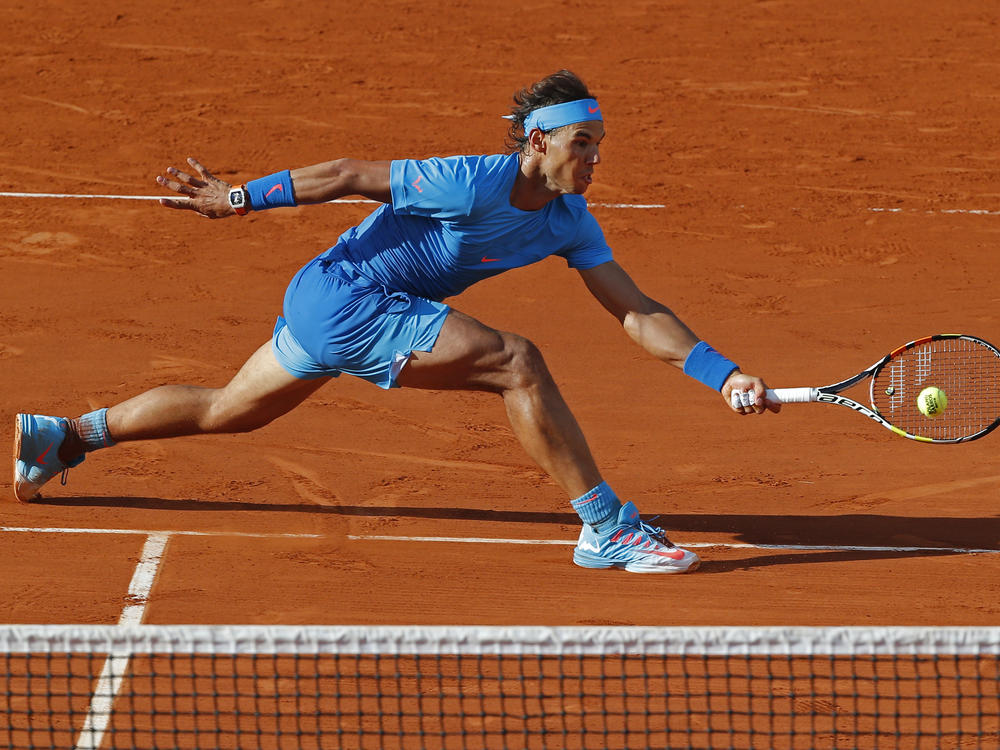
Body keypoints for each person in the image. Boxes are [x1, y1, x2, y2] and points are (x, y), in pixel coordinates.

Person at [13, 70, 777, 573]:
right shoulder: (472, 180)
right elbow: (348, 176)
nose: (594, 160)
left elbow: (637, 312)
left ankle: (67, 436)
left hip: (330, 305)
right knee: (517, 361)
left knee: (226, 410)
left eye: (599, 147)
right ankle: (605, 526)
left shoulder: (570, 223)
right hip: (347, 295)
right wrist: (239, 197)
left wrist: (724, 373)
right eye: (584, 144)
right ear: (540, 140)